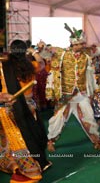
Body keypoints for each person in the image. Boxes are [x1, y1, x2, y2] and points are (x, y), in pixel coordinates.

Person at [45, 25, 100, 152]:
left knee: (89, 117)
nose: (81, 46)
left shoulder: (86, 55)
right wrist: (41, 48)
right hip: (65, 95)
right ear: (72, 44)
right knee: (58, 119)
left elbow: (99, 51)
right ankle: (51, 141)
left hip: (81, 94)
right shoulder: (63, 54)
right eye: (78, 44)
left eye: (82, 44)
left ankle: (96, 141)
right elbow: (47, 52)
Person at [0, 39, 51, 183]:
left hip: (9, 106)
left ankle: (18, 163)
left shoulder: (4, 67)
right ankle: (39, 161)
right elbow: (41, 63)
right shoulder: (31, 65)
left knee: (17, 138)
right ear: (24, 51)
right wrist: (33, 51)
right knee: (31, 133)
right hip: (29, 105)